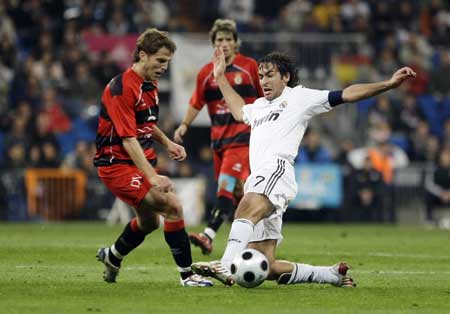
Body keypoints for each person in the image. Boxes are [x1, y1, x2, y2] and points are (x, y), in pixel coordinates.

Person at [192, 47, 416, 287]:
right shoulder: (258, 106)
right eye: (261, 76)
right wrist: (220, 78)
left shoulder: (299, 97)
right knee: (263, 264)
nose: (264, 81)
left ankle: (224, 264)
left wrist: (389, 84)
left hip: (276, 170)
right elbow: (238, 111)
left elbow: (347, 94)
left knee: (245, 209)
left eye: (270, 75)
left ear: (285, 77)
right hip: (260, 176)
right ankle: (330, 274)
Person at [94, 28, 212, 287]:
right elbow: (127, 138)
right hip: (117, 164)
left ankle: (112, 256)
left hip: (138, 159)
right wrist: (152, 175)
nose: (163, 67)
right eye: (160, 60)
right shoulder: (121, 87)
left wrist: (167, 141)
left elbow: (145, 123)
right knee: (172, 206)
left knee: (149, 222)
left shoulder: (150, 84)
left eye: (167, 62)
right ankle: (187, 275)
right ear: (142, 55)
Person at [173, 19, 263, 255]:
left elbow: (265, 97)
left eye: (228, 39)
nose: (224, 43)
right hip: (219, 142)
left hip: (244, 138)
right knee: (237, 193)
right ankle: (258, 237)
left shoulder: (249, 66)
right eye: (219, 40)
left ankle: (208, 235)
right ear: (213, 45)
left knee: (224, 186)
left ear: (236, 43)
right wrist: (184, 125)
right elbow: (196, 102)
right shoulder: (206, 73)